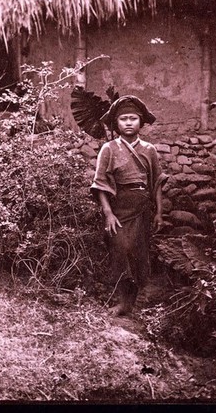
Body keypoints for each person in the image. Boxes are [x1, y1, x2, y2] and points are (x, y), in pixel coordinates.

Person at [90, 95, 166, 316]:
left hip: (142, 206)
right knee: (120, 249)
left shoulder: (149, 149)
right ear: (116, 123)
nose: (129, 122)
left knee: (138, 252)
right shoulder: (109, 149)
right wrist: (108, 213)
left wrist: (159, 212)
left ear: (141, 122)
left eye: (133, 118)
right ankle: (123, 301)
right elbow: (100, 183)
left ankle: (131, 302)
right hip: (119, 206)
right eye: (123, 119)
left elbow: (157, 182)